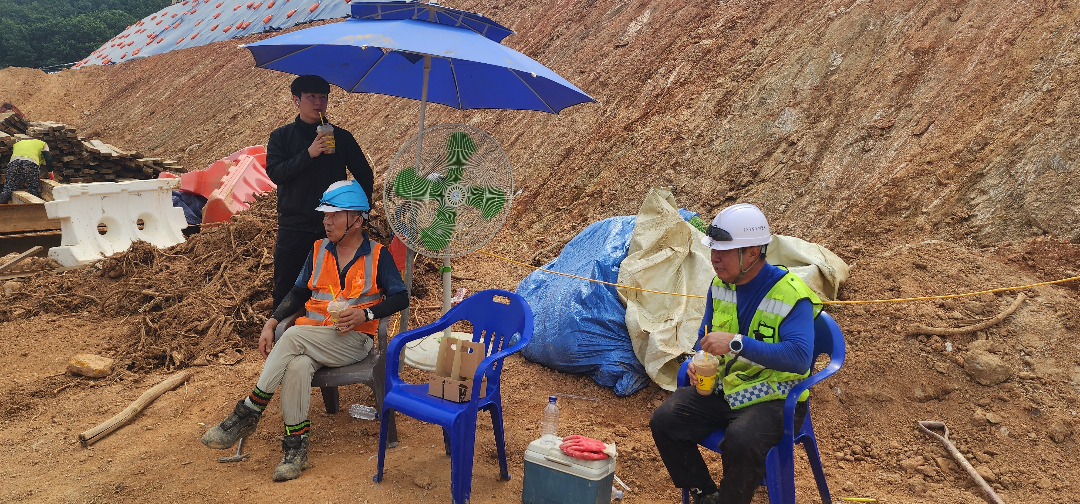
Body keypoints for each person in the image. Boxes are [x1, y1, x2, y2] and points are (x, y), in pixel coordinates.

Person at [201, 180, 408, 482]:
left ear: (356, 220)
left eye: (334, 215)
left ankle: (249, 411)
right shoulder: (319, 249)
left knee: (293, 336)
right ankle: (296, 451)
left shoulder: (378, 255)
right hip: (311, 338)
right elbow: (298, 292)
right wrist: (272, 322)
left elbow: (401, 297)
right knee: (297, 366)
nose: (326, 221)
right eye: (325, 215)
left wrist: (365, 313)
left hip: (352, 341)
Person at [649, 203, 822, 504]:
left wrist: (736, 343)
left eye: (724, 251)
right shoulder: (720, 285)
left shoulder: (792, 295)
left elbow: (799, 358)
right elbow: (705, 337)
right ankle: (705, 494)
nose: (714, 258)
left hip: (776, 399)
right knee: (665, 420)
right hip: (729, 389)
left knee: (741, 440)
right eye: (713, 249)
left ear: (752, 253)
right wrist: (697, 362)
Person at [265, 74, 375, 313]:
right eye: (311, 97)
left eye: (323, 97)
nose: (318, 103)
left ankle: (326, 328)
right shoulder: (281, 137)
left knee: (333, 285)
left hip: (334, 226)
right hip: (295, 224)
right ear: (296, 100)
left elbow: (364, 174)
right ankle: (278, 331)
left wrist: (360, 212)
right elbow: (275, 173)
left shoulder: (341, 137)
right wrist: (309, 154)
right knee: (286, 284)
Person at [1, 138, 52, 204]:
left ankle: (1, 206)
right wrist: (50, 172)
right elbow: (48, 159)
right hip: (30, 163)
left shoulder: (18, 143)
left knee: (8, 188)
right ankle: (35, 208)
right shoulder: (43, 144)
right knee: (32, 188)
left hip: (14, 163)